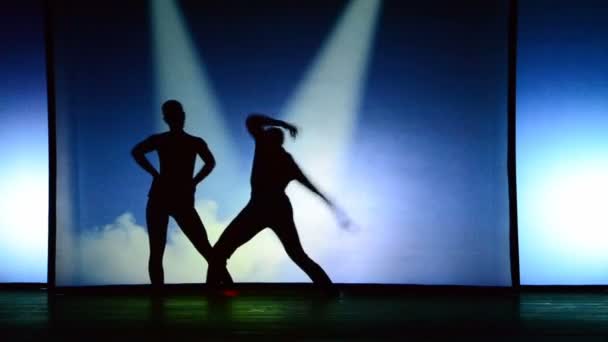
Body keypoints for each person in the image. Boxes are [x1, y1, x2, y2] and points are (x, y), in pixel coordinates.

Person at [207, 113, 349, 295]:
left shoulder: (265, 148)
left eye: (267, 135)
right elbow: (311, 186)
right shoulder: (282, 157)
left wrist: (283, 124)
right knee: (297, 255)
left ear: (271, 140)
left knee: (221, 250)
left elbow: (252, 120)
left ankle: (214, 291)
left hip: (262, 208)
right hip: (274, 208)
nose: (264, 135)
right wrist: (333, 207)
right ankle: (329, 290)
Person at [132, 99, 225, 289]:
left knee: (162, 250)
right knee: (201, 246)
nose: (177, 117)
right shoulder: (191, 142)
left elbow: (137, 152)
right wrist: (193, 181)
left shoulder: (168, 140)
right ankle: (227, 286)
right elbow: (210, 163)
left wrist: (156, 173)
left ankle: (159, 297)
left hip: (165, 196)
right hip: (172, 197)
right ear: (178, 117)